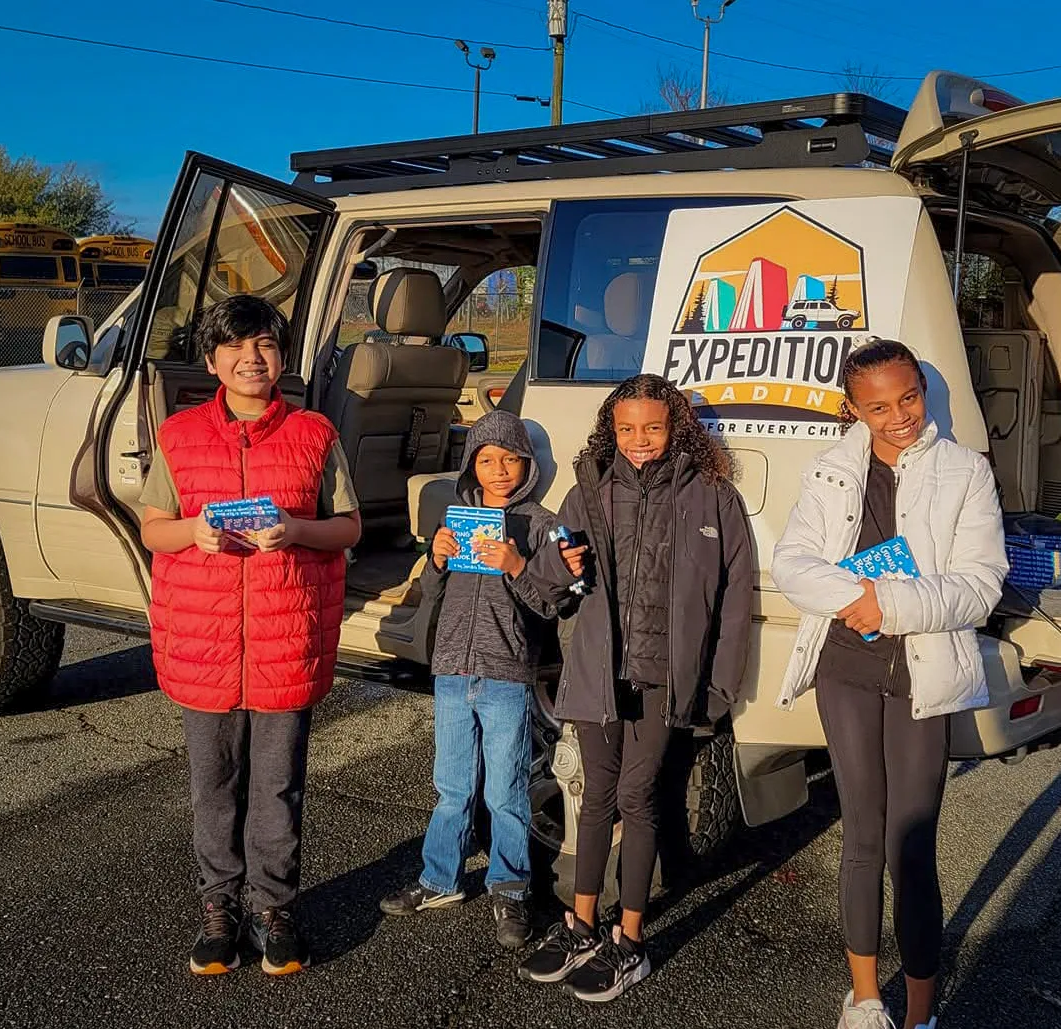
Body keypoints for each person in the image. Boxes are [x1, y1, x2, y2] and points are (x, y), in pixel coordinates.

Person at [769, 338, 1008, 1029]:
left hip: (923, 675)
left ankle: (921, 1013)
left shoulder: (966, 472)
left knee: (912, 842)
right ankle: (867, 999)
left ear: (922, 390)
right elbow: (794, 562)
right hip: (846, 667)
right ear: (852, 408)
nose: (898, 414)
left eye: (908, 397)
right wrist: (860, 597)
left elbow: (980, 585)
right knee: (863, 836)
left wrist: (895, 605)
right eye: (878, 405)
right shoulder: (829, 471)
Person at [138, 294, 362, 977]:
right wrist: (195, 533)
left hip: (282, 640)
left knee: (277, 788)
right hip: (203, 645)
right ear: (212, 360)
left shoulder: (316, 433)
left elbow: (348, 528)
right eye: (236, 346)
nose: (251, 358)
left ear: (281, 356)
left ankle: (274, 906)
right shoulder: (178, 436)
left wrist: (295, 530)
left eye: (264, 344)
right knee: (212, 786)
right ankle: (218, 905)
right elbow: (153, 527)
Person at [516, 373, 755, 1003]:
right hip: (600, 672)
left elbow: (735, 599)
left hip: (665, 680)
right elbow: (547, 591)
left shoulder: (712, 496)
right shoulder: (589, 493)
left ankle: (630, 939)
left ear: (676, 426)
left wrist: (721, 684)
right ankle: (581, 925)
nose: (640, 440)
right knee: (597, 795)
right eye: (626, 429)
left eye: (652, 427)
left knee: (638, 796)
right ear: (609, 430)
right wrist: (554, 565)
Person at [378, 409, 562, 950]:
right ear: (471, 466)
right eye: (487, 459)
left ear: (528, 464)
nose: (500, 470)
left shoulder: (540, 525)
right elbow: (435, 596)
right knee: (451, 785)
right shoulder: (458, 517)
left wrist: (515, 565)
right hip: (453, 672)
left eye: (511, 458)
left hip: (507, 672)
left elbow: (552, 606)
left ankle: (510, 886)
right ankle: (440, 880)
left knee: (506, 789)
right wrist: (435, 560)